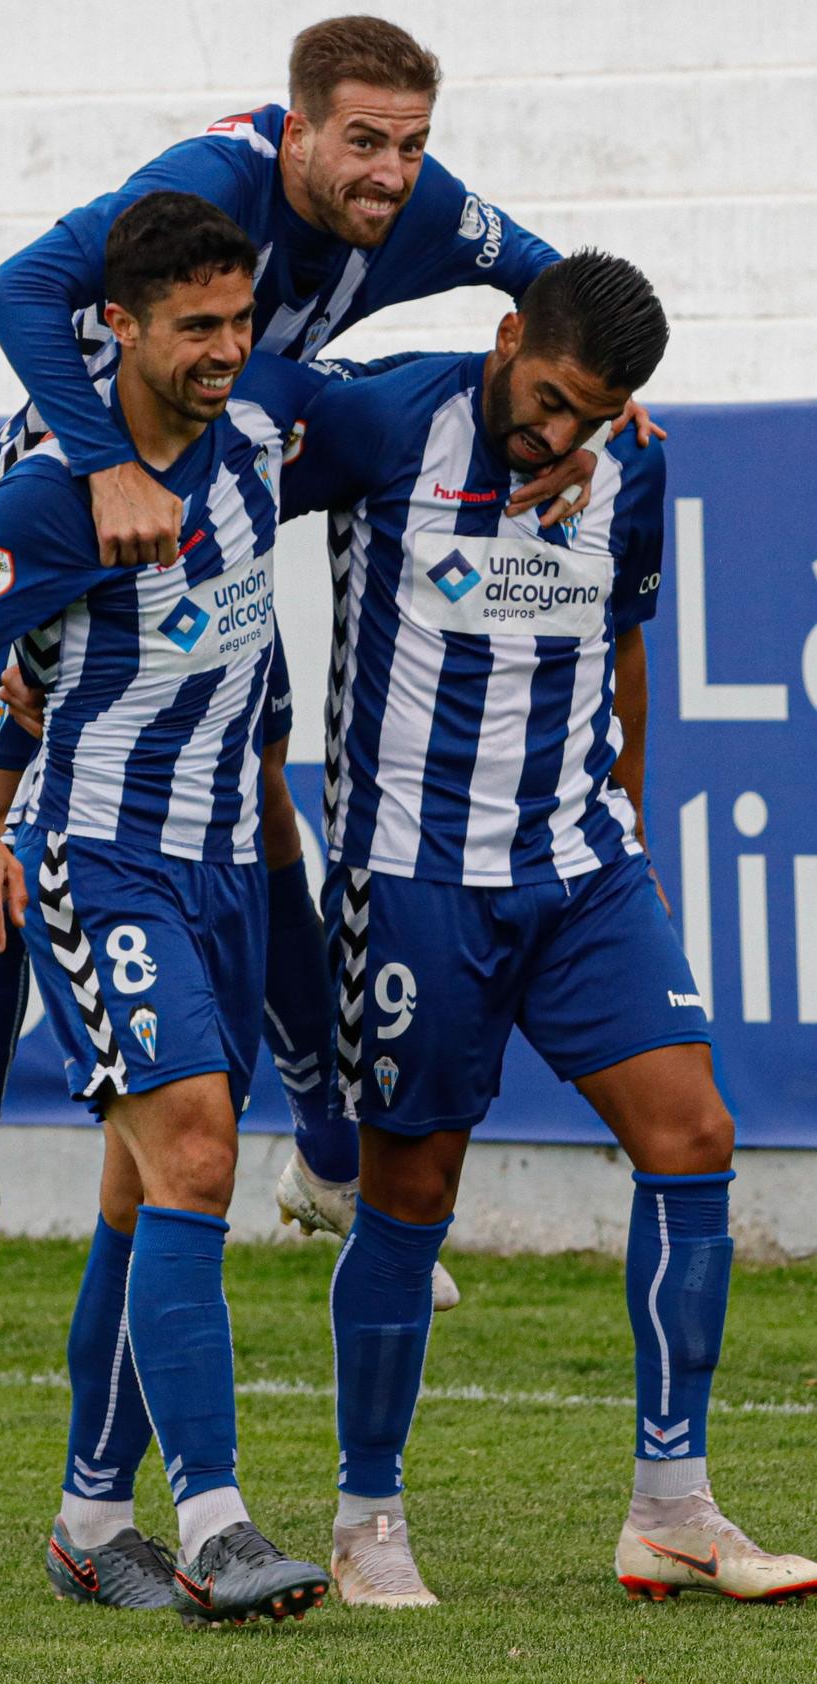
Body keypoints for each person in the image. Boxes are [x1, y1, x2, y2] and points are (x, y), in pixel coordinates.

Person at [0, 15, 661, 1378]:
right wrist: (103, 467)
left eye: (411, 143)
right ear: (297, 128)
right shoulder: (212, 184)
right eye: (362, 141)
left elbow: (561, 289)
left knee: (250, 796)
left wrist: (602, 422)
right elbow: (18, 289)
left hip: (226, 496)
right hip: (91, 493)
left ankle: (324, 1148)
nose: (389, 172)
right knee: (5, 804)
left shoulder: (424, 206)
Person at [275, 249, 817, 1608]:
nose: (559, 433)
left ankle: (671, 1508)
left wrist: (629, 823)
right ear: (506, 335)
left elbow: (624, 645)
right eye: (551, 398)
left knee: (692, 1136)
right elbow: (212, 482)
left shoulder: (631, 464)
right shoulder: (387, 421)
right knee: (410, 1192)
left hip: (579, 868)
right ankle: (366, 1518)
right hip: (410, 878)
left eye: (593, 411)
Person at [0, 195, 335, 1624]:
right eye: (195, 326)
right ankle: (218, 1522)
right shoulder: (55, 499)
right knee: (193, 1147)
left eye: (240, 322)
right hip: (97, 856)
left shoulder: (259, 438)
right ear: (114, 330)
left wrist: (584, 432)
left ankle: (87, 1521)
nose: (226, 350)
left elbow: (422, 412)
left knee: (147, 1192)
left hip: (223, 870)